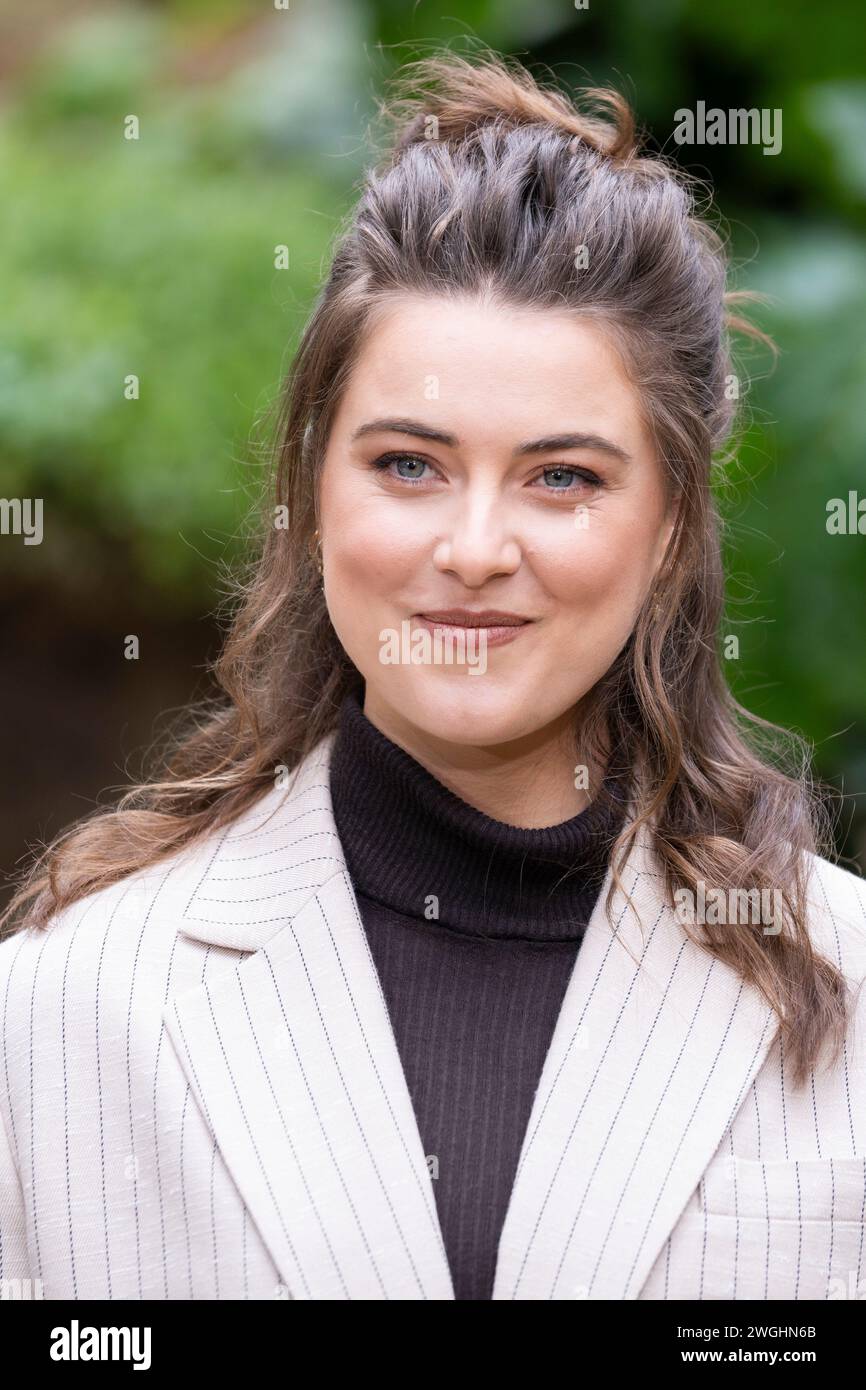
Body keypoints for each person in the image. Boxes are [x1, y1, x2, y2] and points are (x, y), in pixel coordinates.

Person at [1, 50, 864, 1302]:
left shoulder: (845, 988)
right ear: (310, 488)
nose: (471, 552)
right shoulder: (69, 1004)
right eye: (408, 464)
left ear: (670, 524)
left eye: (561, 477)